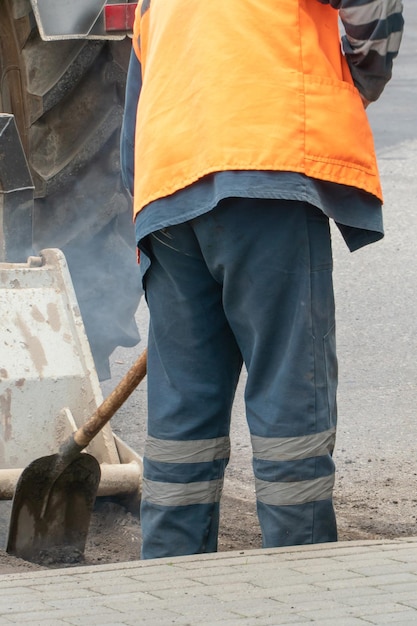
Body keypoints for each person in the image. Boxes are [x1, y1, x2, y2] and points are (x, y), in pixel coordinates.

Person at [121, 0, 404, 559]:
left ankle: (169, 584)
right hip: (265, 165)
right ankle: (299, 576)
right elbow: (375, 11)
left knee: (183, 415)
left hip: (165, 188)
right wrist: (361, 77)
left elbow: (136, 102)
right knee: (289, 392)